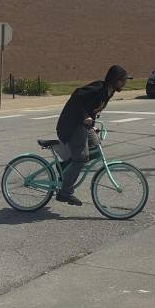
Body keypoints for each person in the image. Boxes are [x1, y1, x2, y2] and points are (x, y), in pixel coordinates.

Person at [54, 65, 131, 205]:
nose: (124, 83)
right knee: (81, 158)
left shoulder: (109, 92)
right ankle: (65, 192)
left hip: (83, 125)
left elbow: (92, 108)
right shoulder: (99, 88)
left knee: (95, 149)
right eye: (123, 80)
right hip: (72, 125)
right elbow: (77, 96)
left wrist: (92, 124)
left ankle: (64, 167)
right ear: (115, 80)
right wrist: (84, 116)